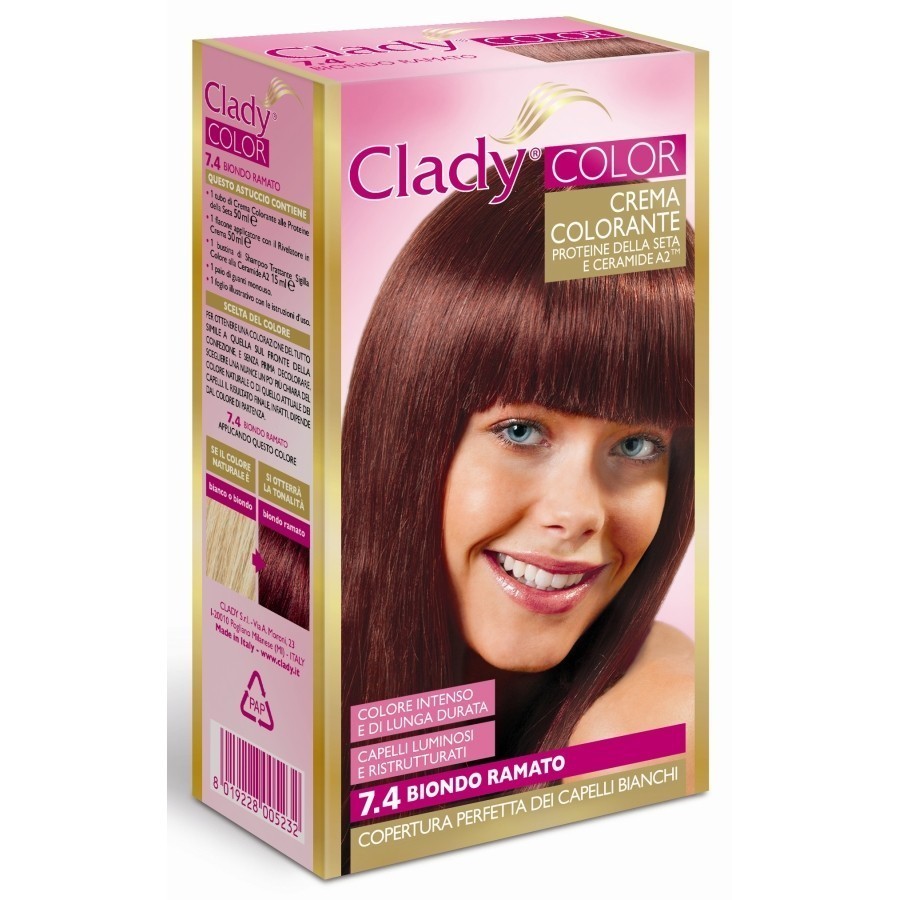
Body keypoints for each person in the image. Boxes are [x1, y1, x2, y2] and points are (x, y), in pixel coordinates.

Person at [341, 156, 695, 785]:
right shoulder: (274, 616)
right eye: (521, 432)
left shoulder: (663, 713)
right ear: (405, 433)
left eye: (638, 445)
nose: (578, 513)